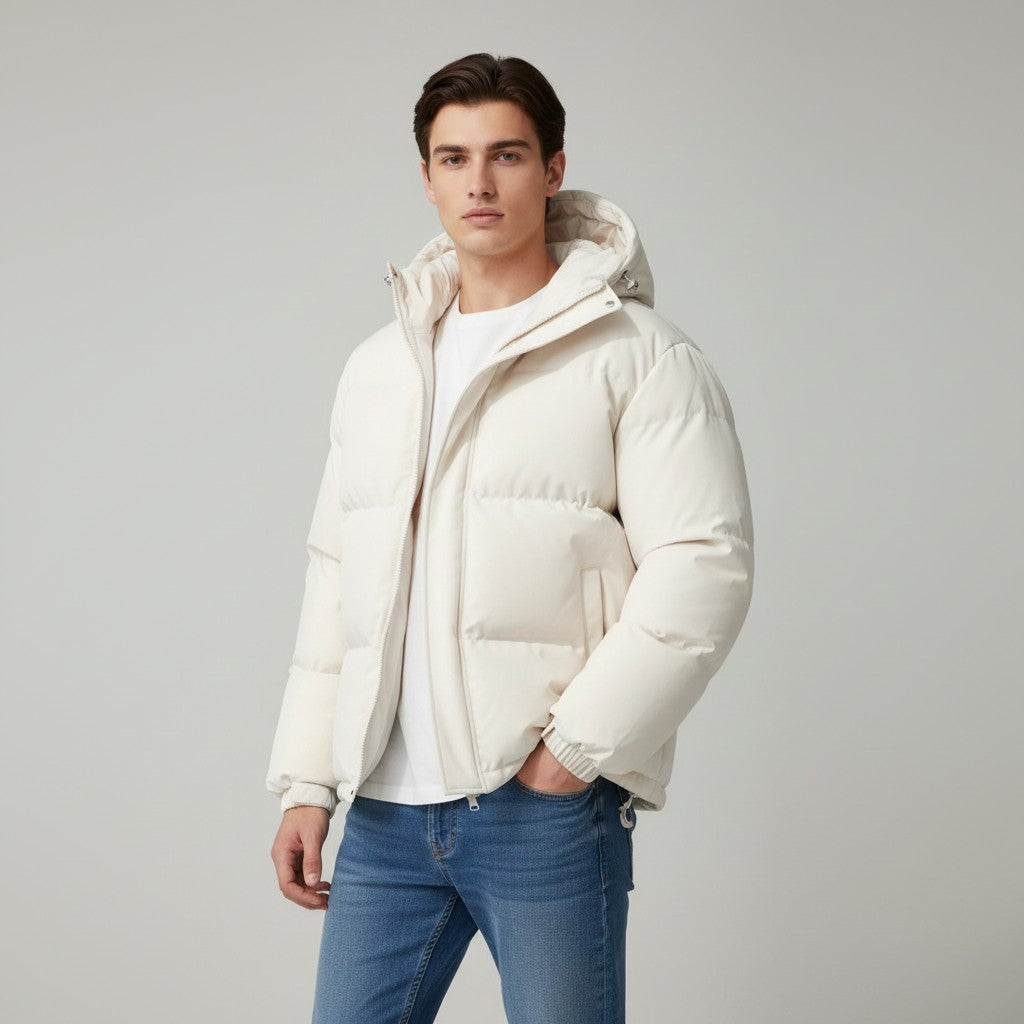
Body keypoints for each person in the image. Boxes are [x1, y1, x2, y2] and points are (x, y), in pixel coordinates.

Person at [266, 52, 754, 1024]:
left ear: (553, 168)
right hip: (385, 815)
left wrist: (570, 753)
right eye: (454, 158)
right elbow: (337, 581)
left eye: (507, 155)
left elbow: (704, 567)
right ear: (427, 177)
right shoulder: (378, 368)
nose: (479, 182)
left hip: (541, 809)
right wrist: (307, 780)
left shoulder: (640, 356)